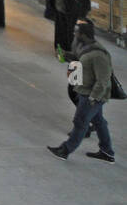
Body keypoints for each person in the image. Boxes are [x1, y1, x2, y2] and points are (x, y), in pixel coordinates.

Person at [48, 18, 115, 162]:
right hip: (83, 90)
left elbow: (103, 80)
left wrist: (93, 98)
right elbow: (80, 59)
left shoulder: (99, 55)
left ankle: (65, 150)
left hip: (92, 95)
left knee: (80, 121)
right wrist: (66, 55)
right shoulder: (83, 46)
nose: (74, 33)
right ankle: (107, 152)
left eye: (76, 32)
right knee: (99, 122)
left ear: (84, 34)